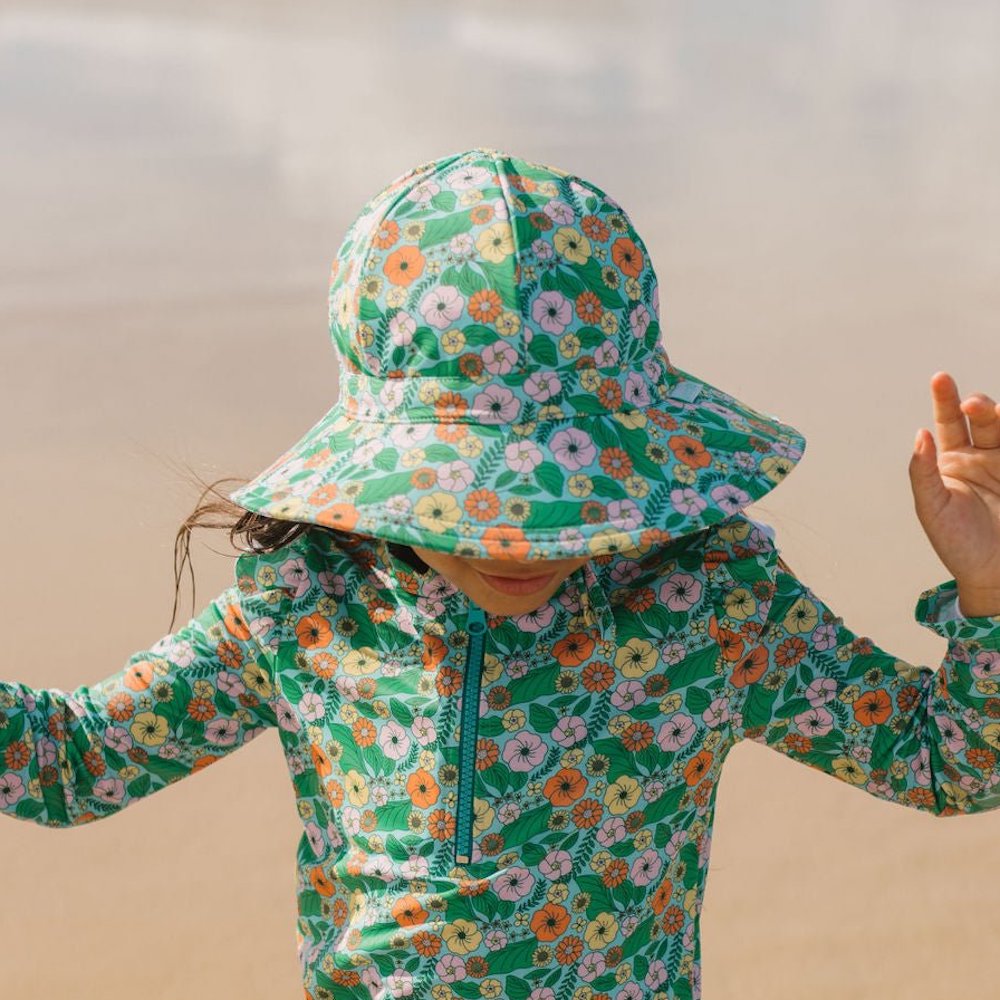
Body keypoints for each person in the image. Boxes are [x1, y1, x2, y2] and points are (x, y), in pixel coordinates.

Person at [2, 146, 999, 1000]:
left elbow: (941, 761)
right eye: (474, 504)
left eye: (557, 495)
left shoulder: (710, 603)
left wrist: (989, 596)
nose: (517, 542)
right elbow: (74, 761)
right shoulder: (307, 604)